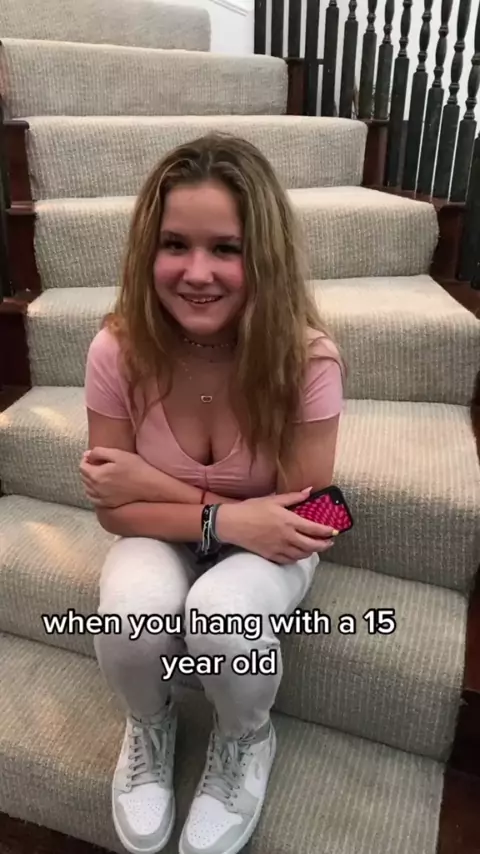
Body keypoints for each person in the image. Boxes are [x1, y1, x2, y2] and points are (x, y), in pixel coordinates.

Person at [80, 133, 346, 854]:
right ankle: (151, 722)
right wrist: (226, 517)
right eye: (176, 245)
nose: (197, 273)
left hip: (268, 546)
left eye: (226, 248)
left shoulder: (307, 360)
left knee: (223, 615)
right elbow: (112, 507)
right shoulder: (117, 350)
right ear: (149, 251)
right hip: (180, 531)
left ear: (264, 256)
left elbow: (315, 515)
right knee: (131, 616)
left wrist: (153, 485)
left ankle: (245, 737)